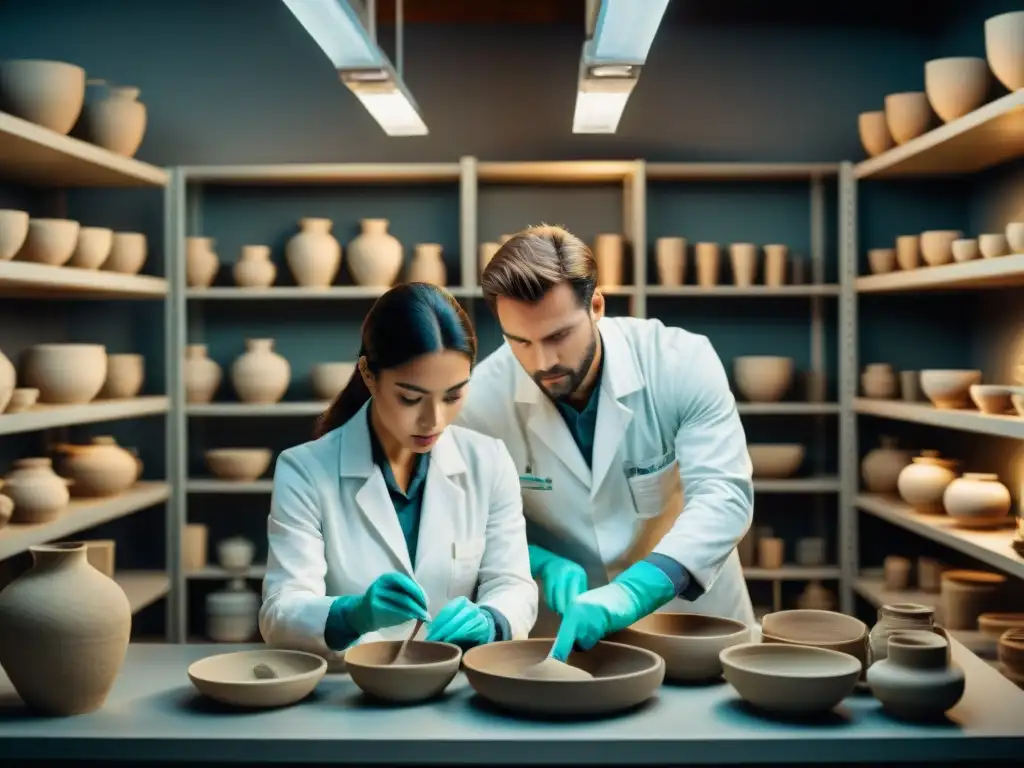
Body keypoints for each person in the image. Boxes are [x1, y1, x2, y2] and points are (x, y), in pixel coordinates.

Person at [455, 224, 755, 661]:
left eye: (558, 336)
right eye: (520, 341)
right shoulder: (479, 399)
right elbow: (471, 524)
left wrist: (634, 592)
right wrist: (539, 560)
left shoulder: (679, 361)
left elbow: (724, 496)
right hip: (565, 631)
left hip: (689, 619)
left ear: (596, 305)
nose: (542, 362)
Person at [259, 283, 538, 659]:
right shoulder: (305, 470)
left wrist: (492, 620)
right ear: (369, 375)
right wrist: (352, 614)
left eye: (453, 396)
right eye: (410, 398)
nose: (433, 420)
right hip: (351, 691)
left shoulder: (488, 462)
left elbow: (513, 584)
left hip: (452, 687)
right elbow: (279, 612)